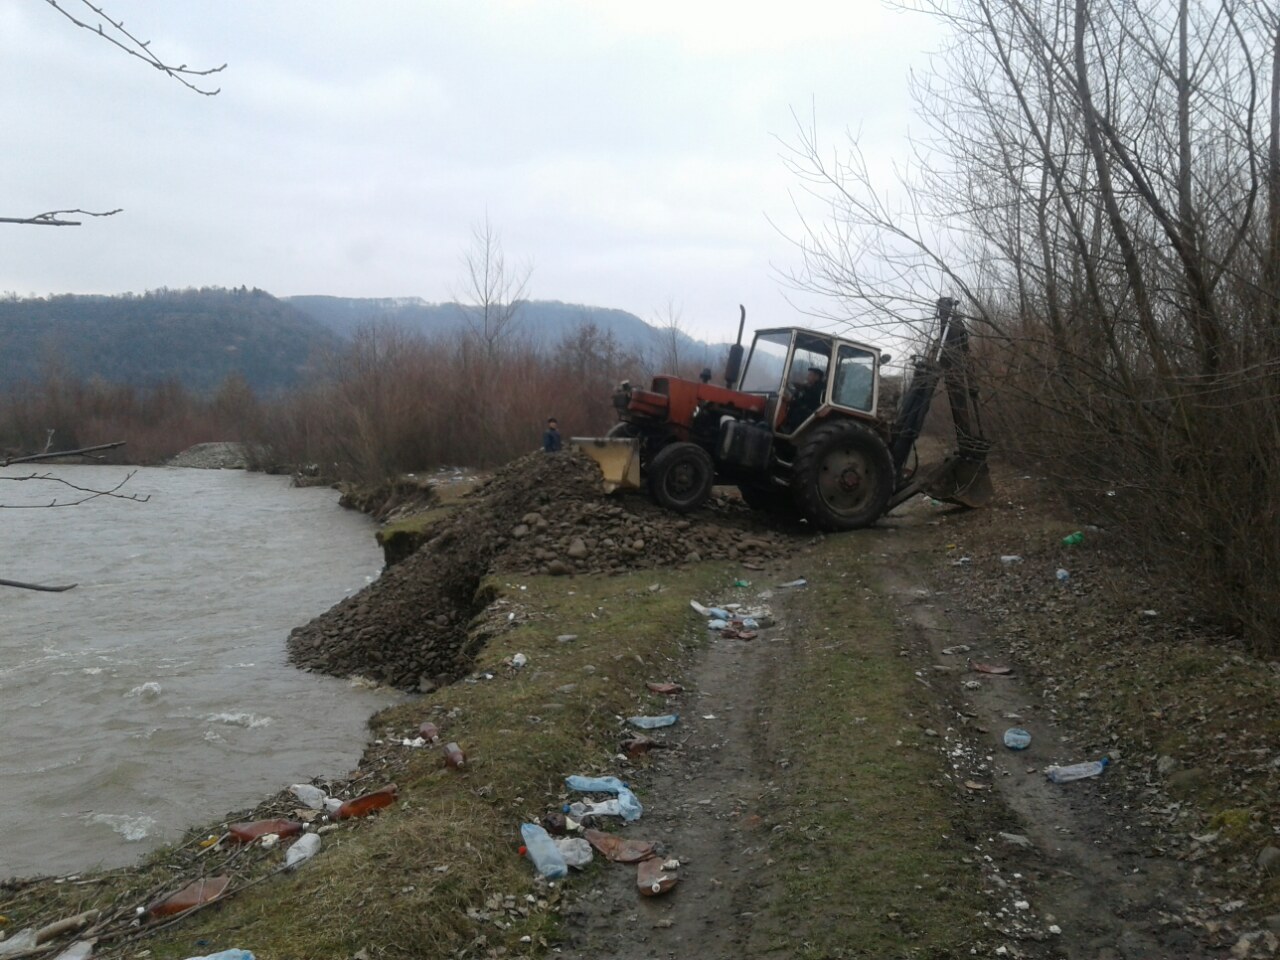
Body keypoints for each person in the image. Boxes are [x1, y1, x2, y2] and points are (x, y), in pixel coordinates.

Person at [782, 367, 825, 432]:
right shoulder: (812, 386)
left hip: (811, 410)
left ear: (817, 377)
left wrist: (792, 400)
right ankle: (787, 425)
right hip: (808, 407)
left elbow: (807, 400)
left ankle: (791, 429)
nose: (807, 376)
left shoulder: (818, 388)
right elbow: (804, 392)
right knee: (793, 404)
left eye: (810, 375)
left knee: (797, 410)